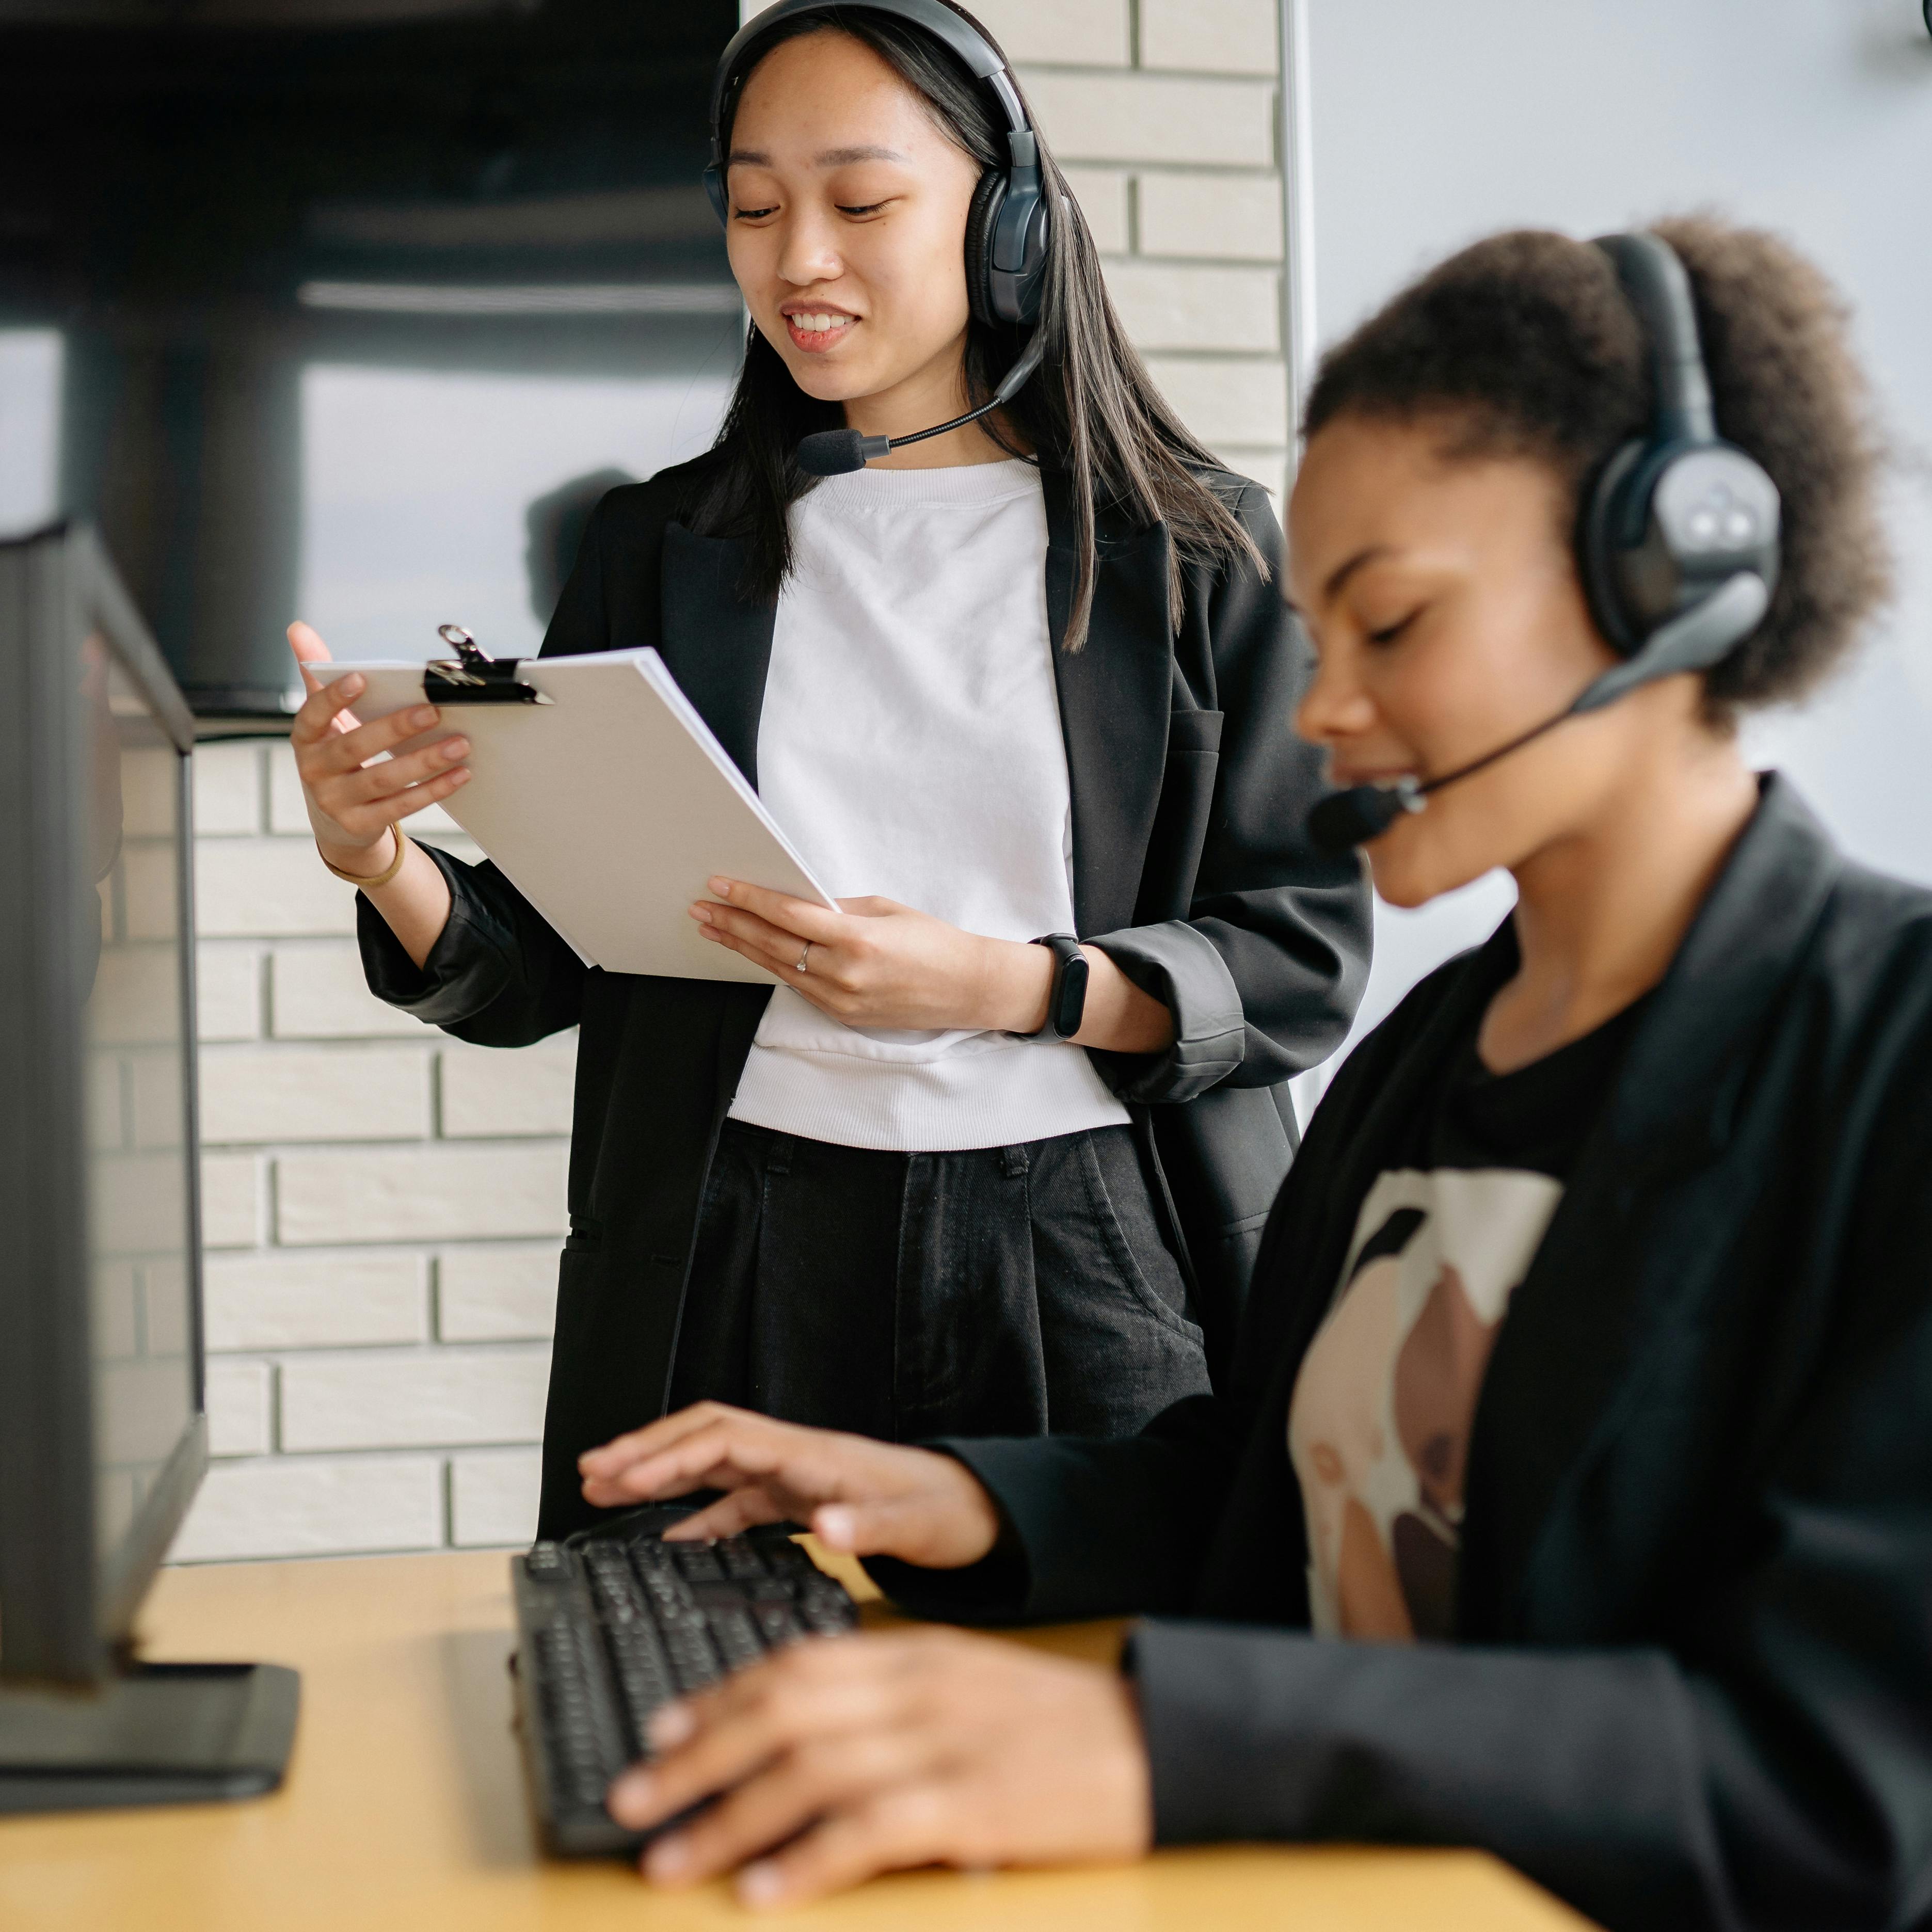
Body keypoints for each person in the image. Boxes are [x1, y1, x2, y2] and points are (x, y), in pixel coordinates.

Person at [569, 216, 1932, 1931]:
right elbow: (1270, 1484)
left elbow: (1845, 1777)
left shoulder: (1891, 1068)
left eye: (1394, 625)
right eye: (1318, 635)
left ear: (1666, 576)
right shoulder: (1431, 1065)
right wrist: (960, 1495)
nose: (1322, 714)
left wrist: (1167, 1744)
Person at [282, 0, 1369, 1539]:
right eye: (751, 206)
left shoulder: (1195, 555)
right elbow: (540, 967)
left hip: (1084, 1248)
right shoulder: (657, 550)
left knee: (1091, 1719)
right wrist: (380, 860)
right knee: (683, 1701)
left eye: (860, 203)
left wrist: (1004, 986)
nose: (797, 259)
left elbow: (1300, 956)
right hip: (735, 1241)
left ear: (1006, 223)